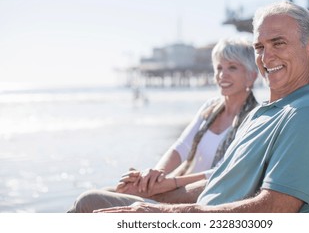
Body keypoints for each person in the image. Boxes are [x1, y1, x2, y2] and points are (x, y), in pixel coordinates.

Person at [94, 1, 309, 213]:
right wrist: (157, 193)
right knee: (102, 199)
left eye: (278, 43)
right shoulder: (263, 113)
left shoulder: (308, 115)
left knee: (88, 203)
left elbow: (274, 209)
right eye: (259, 47)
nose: (266, 58)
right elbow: (219, 181)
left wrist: (167, 213)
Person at [67, 38, 259, 212]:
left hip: (193, 203)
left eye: (232, 68)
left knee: (89, 200)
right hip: (173, 190)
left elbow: (224, 172)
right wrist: (153, 178)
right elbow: (181, 147)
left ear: (251, 76)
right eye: (219, 68)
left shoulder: (255, 119)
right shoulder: (210, 107)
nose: (222, 75)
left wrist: (170, 183)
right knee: (103, 193)